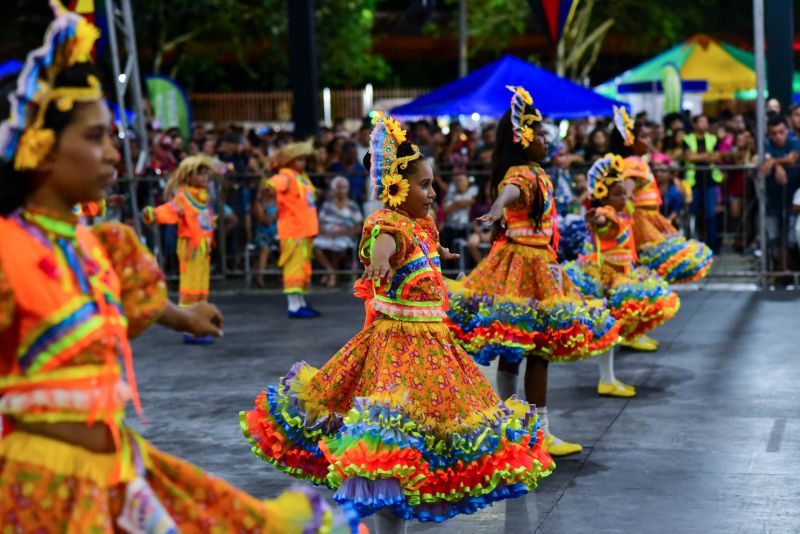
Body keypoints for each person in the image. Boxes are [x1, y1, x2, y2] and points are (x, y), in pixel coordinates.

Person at [0, 5, 361, 532]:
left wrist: (184, 317)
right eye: (94, 137)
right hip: (34, 490)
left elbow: (123, 297)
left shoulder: (98, 245)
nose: (111, 156)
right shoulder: (9, 250)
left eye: (112, 139)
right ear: (40, 148)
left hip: (115, 473)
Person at [240, 114, 554, 532]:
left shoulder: (421, 223)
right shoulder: (386, 222)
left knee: (423, 442)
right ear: (396, 187)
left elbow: (421, 241)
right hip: (397, 346)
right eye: (424, 185)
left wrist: (439, 253)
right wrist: (383, 258)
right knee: (391, 442)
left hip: (434, 345)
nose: (432, 192)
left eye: (431, 184)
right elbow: (386, 241)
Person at [446, 87, 620, 457]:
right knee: (536, 348)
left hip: (535, 260)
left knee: (517, 346)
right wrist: (496, 206)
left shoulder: (537, 171)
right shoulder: (522, 172)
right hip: (525, 263)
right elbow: (511, 190)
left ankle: (510, 426)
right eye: (540, 134)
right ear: (523, 139)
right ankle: (535, 432)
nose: (546, 140)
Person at [562, 155, 680, 396]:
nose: (624, 198)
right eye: (618, 194)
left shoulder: (623, 213)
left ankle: (608, 378)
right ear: (605, 196)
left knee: (612, 331)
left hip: (621, 277)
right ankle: (607, 379)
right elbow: (602, 219)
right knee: (609, 330)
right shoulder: (608, 213)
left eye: (624, 193)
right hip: (608, 281)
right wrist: (596, 217)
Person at [610, 107, 713, 287]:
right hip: (642, 220)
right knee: (656, 263)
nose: (649, 141)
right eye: (644, 137)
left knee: (654, 265)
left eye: (649, 136)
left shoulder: (637, 162)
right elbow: (625, 195)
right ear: (630, 141)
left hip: (649, 218)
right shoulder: (634, 163)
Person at [142, 155, 218, 344]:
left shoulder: (202, 198)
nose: (205, 179)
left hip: (203, 249)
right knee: (191, 287)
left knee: (201, 288)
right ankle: (189, 328)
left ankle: (199, 324)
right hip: (191, 248)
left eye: (206, 175)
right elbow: (169, 210)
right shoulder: (183, 197)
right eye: (200, 175)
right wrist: (154, 214)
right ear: (188, 176)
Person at [267, 140, 321, 318]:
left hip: (304, 230)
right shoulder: (286, 176)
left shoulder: (302, 177)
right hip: (293, 231)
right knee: (293, 267)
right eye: (299, 159)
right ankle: (293, 306)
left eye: (304, 159)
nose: (303, 163)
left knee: (302, 268)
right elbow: (270, 185)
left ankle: (300, 303)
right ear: (290, 161)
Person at [761, 115, 800, 273]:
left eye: (781, 132)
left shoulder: (795, 142)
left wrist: (773, 162)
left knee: (791, 239)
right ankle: (783, 271)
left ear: (787, 131)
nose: (778, 136)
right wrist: (777, 166)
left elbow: (791, 159)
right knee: (775, 239)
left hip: (793, 201)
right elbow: (763, 162)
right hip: (773, 200)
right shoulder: (766, 145)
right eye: (774, 133)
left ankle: (790, 270)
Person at [683, 114, 723, 252]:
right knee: (692, 213)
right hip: (693, 182)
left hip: (710, 181)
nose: (703, 124)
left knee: (711, 214)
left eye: (705, 122)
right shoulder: (687, 139)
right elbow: (689, 156)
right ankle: (690, 245)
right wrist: (707, 156)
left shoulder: (712, 138)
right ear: (694, 124)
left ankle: (713, 245)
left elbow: (718, 156)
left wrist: (699, 157)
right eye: (700, 121)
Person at [313, 176, 363, 288]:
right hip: (328, 235)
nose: (341, 190)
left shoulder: (352, 206)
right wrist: (324, 232)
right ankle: (331, 271)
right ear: (334, 189)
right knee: (315, 244)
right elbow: (319, 223)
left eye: (344, 187)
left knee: (341, 245)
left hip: (345, 235)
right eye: (339, 188)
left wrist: (347, 232)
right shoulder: (327, 206)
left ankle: (330, 272)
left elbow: (359, 227)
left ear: (347, 189)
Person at [439, 172, 476, 260]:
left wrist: (456, 204)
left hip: (469, 227)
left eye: (462, 180)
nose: (460, 183)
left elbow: (474, 202)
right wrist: (458, 204)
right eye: (457, 181)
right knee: (444, 235)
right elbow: (445, 209)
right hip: (451, 227)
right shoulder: (450, 194)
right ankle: (451, 265)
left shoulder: (474, 192)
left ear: (467, 181)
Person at [252, 181, 279, 288]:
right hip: (263, 233)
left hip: (278, 233)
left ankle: (283, 277)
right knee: (265, 248)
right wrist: (276, 214)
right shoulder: (258, 204)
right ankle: (260, 277)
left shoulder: (279, 201)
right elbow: (265, 221)